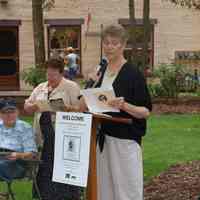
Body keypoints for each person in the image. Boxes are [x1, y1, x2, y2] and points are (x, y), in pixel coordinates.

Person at [87, 24, 152, 200]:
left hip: (125, 141)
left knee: (126, 191)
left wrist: (124, 106)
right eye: (106, 42)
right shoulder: (100, 72)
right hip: (102, 138)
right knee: (105, 191)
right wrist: (90, 82)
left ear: (123, 46)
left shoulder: (133, 74)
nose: (109, 46)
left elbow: (145, 112)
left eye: (114, 43)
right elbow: (84, 105)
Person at [24, 58, 82, 200]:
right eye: (48, 74)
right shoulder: (41, 87)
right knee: (44, 165)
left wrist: (63, 108)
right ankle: (44, 194)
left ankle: (65, 195)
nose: (50, 78)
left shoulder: (71, 87)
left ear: (61, 73)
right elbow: (27, 107)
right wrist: (33, 107)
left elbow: (81, 110)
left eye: (53, 75)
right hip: (42, 135)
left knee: (62, 165)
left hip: (61, 134)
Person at [0, 98, 37, 183]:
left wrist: (18, 155)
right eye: (4, 112)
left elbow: (32, 154)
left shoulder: (25, 128)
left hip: (17, 163)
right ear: (0, 115)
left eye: (12, 111)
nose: (9, 115)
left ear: (17, 112)